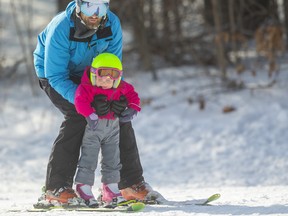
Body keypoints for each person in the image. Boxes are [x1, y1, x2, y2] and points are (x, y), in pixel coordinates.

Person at [33, 0, 161, 205]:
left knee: (117, 118)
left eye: (101, 8)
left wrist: (117, 98)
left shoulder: (112, 24)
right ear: (78, 6)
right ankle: (56, 187)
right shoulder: (61, 27)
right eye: (89, 7)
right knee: (77, 115)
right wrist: (86, 100)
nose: (95, 14)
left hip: (97, 76)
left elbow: (114, 68)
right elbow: (56, 76)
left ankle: (129, 184)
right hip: (57, 76)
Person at [74, 53, 141, 207]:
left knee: (113, 158)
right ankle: (83, 187)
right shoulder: (87, 88)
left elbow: (133, 96)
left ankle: (110, 188)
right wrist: (89, 114)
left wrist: (132, 108)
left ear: (117, 78)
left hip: (113, 130)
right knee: (89, 157)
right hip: (94, 129)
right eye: (102, 76)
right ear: (93, 75)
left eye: (111, 78)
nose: (106, 81)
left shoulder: (121, 88)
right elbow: (79, 100)